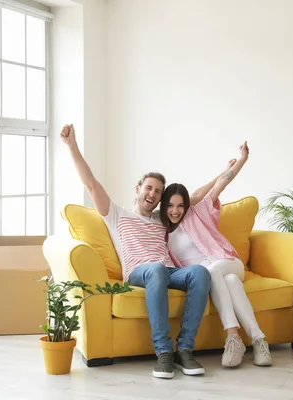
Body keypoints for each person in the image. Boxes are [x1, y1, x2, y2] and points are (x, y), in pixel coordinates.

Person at [60, 124, 211, 379]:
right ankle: (163, 351)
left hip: (167, 272)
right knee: (156, 269)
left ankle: (184, 349)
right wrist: (72, 146)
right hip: (141, 273)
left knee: (200, 273)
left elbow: (194, 197)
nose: (153, 194)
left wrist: (228, 170)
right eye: (149, 188)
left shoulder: (162, 219)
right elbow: (91, 184)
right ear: (138, 188)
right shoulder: (117, 215)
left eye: (158, 192)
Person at [159, 141, 272, 368]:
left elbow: (220, 184)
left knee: (213, 271)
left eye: (181, 205)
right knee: (228, 282)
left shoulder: (197, 213)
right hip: (214, 277)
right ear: (163, 206)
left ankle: (232, 335)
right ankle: (259, 340)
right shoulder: (161, 231)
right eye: (170, 205)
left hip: (228, 261)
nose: (175, 210)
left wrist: (241, 160)